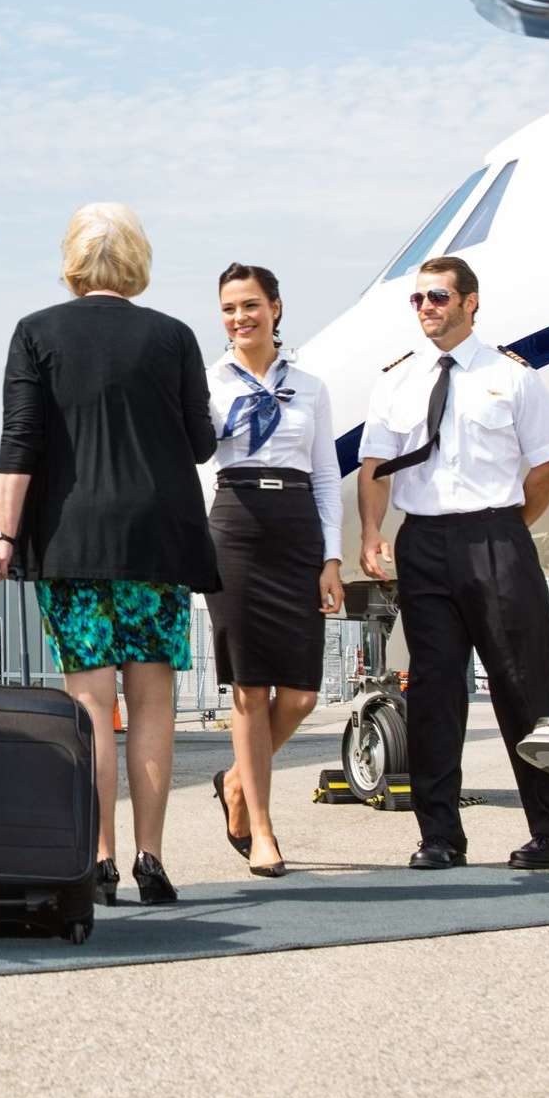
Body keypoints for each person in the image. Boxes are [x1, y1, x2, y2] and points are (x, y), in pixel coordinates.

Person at [0, 202, 219, 906]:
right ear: (137, 258)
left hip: (73, 543)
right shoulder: (174, 336)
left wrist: (2, 534)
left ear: (73, 260)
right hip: (157, 542)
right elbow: (202, 444)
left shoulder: (36, 332)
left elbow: (20, 440)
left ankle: (100, 859)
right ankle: (152, 859)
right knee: (152, 702)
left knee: (89, 704)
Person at [355, 256, 549, 870]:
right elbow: (375, 467)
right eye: (417, 299)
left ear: (469, 302)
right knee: (433, 691)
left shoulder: (512, 377)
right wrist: (372, 531)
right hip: (423, 543)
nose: (426, 308)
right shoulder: (396, 381)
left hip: (495, 537)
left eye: (437, 296)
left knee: (525, 686)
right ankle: (439, 837)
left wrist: (506, 529)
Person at [204, 264, 342, 879]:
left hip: (296, 528)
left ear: (276, 308)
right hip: (235, 525)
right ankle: (261, 827)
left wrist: (331, 558)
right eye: (230, 308)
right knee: (250, 688)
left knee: (302, 695)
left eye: (251, 305)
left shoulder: (310, 386)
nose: (241, 318)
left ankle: (237, 780)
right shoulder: (208, 383)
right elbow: (197, 461)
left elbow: (327, 476)